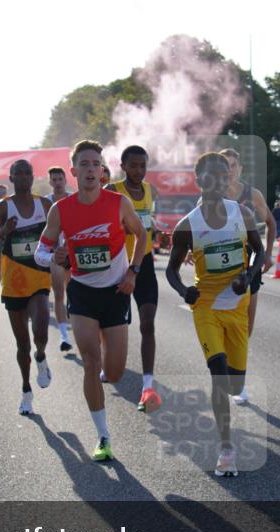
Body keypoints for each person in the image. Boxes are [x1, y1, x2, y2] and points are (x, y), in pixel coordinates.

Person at [35, 140, 146, 462]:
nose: (90, 169)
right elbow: (42, 251)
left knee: (114, 372)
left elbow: (140, 235)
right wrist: (52, 256)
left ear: (102, 171)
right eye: (83, 164)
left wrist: (133, 273)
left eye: (95, 163)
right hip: (82, 292)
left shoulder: (118, 202)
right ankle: (103, 436)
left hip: (115, 292)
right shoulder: (61, 210)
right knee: (91, 362)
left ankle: (104, 350)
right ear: (73, 171)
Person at [166, 152, 265, 477]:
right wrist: (184, 292)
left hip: (237, 308)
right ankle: (226, 449)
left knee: (235, 386)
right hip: (205, 307)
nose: (219, 181)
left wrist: (248, 277)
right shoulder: (187, 226)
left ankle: (229, 425)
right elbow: (171, 271)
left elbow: (258, 251)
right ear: (199, 179)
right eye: (211, 175)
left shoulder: (243, 213)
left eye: (224, 175)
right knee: (219, 374)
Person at [0, 161, 53, 416]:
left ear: (33, 177)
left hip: (40, 278)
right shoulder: (3, 207)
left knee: (41, 331)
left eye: (27, 173)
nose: (22, 177)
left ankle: (41, 356)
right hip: (13, 281)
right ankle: (26, 390)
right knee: (22, 345)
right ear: (11, 177)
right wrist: (3, 231)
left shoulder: (44, 205)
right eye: (17, 174)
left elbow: (59, 234)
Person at [106, 145, 162, 412]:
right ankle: (108, 362)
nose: (139, 170)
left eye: (143, 165)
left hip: (145, 264)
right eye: (134, 165)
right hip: (118, 265)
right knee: (114, 325)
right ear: (123, 166)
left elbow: (148, 221)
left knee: (148, 323)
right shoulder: (113, 191)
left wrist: (156, 229)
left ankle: (147, 385)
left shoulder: (150, 191)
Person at [218, 148, 275, 405]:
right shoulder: (212, 195)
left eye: (232, 165)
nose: (229, 170)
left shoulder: (252, 194)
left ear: (240, 168)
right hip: (220, 267)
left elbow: (271, 223)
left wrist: (270, 254)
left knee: (246, 326)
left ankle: (236, 369)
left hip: (250, 265)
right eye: (224, 166)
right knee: (222, 324)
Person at [46, 166, 73, 351]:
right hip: (55, 254)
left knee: (74, 294)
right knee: (58, 294)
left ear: (65, 181)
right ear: (50, 182)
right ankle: (64, 336)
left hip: (75, 254)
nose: (57, 183)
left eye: (60, 179)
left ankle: (77, 327)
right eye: (53, 180)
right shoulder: (45, 202)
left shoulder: (74, 199)